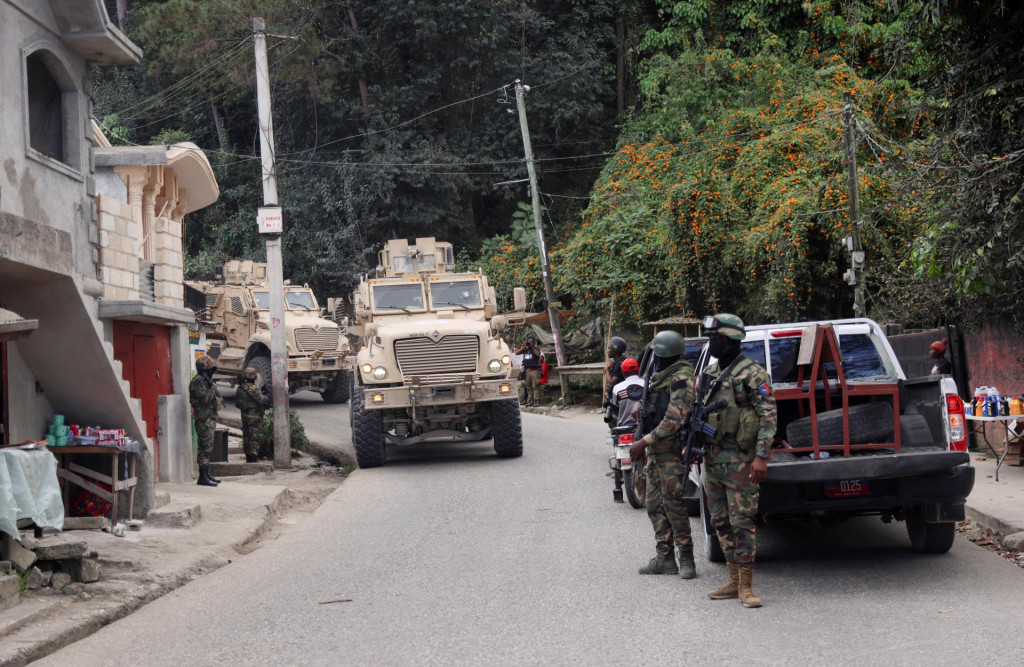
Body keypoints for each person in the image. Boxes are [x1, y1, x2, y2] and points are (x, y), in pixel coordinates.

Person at [699, 313, 777, 608]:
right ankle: (732, 580)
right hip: (713, 459)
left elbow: (768, 417)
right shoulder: (710, 372)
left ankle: (746, 586)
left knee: (741, 521)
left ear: (732, 339)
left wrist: (762, 457)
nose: (711, 342)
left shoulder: (753, 374)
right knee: (720, 521)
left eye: (715, 337)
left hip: (741, 461)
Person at [628, 330, 698, 579]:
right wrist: (640, 407)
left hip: (671, 452)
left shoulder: (680, 378)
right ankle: (665, 558)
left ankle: (686, 557)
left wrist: (643, 442)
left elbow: (674, 419)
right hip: (657, 452)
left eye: (657, 354)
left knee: (673, 505)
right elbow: (657, 406)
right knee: (654, 505)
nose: (654, 359)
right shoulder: (659, 378)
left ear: (665, 355)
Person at [189, 355, 222, 487]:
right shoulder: (198, 381)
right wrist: (213, 390)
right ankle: (202, 477)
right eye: (210, 369)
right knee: (204, 449)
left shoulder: (205, 380)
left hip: (208, 418)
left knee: (207, 448)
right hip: (203, 419)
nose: (211, 372)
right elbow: (203, 398)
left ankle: (206, 474)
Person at [235, 367, 271, 463]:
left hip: (245, 416)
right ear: (254, 377)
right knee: (254, 437)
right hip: (254, 417)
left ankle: (248, 456)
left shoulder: (241, 387)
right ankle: (253, 457)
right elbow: (262, 400)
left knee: (246, 436)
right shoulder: (254, 388)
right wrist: (267, 394)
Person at [610, 357, 642, 429]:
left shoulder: (617, 388)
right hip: (644, 425)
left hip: (624, 426)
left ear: (623, 373)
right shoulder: (648, 385)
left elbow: (616, 404)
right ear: (638, 371)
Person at [514, 336, 545, 406]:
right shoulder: (525, 349)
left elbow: (537, 354)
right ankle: (529, 401)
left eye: (531, 341)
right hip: (527, 370)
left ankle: (536, 400)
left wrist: (532, 346)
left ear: (534, 342)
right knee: (528, 387)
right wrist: (524, 346)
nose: (529, 342)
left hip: (534, 370)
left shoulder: (536, 348)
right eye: (529, 341)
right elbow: (516, 353)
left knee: (535, 386)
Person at [604, 336, 628, 406]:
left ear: (615, 351)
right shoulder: (615, 362)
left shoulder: (619, 363)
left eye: (609, 348)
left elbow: (612, 382)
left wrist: (607, 370)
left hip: (618, 396)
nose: (607, 351)